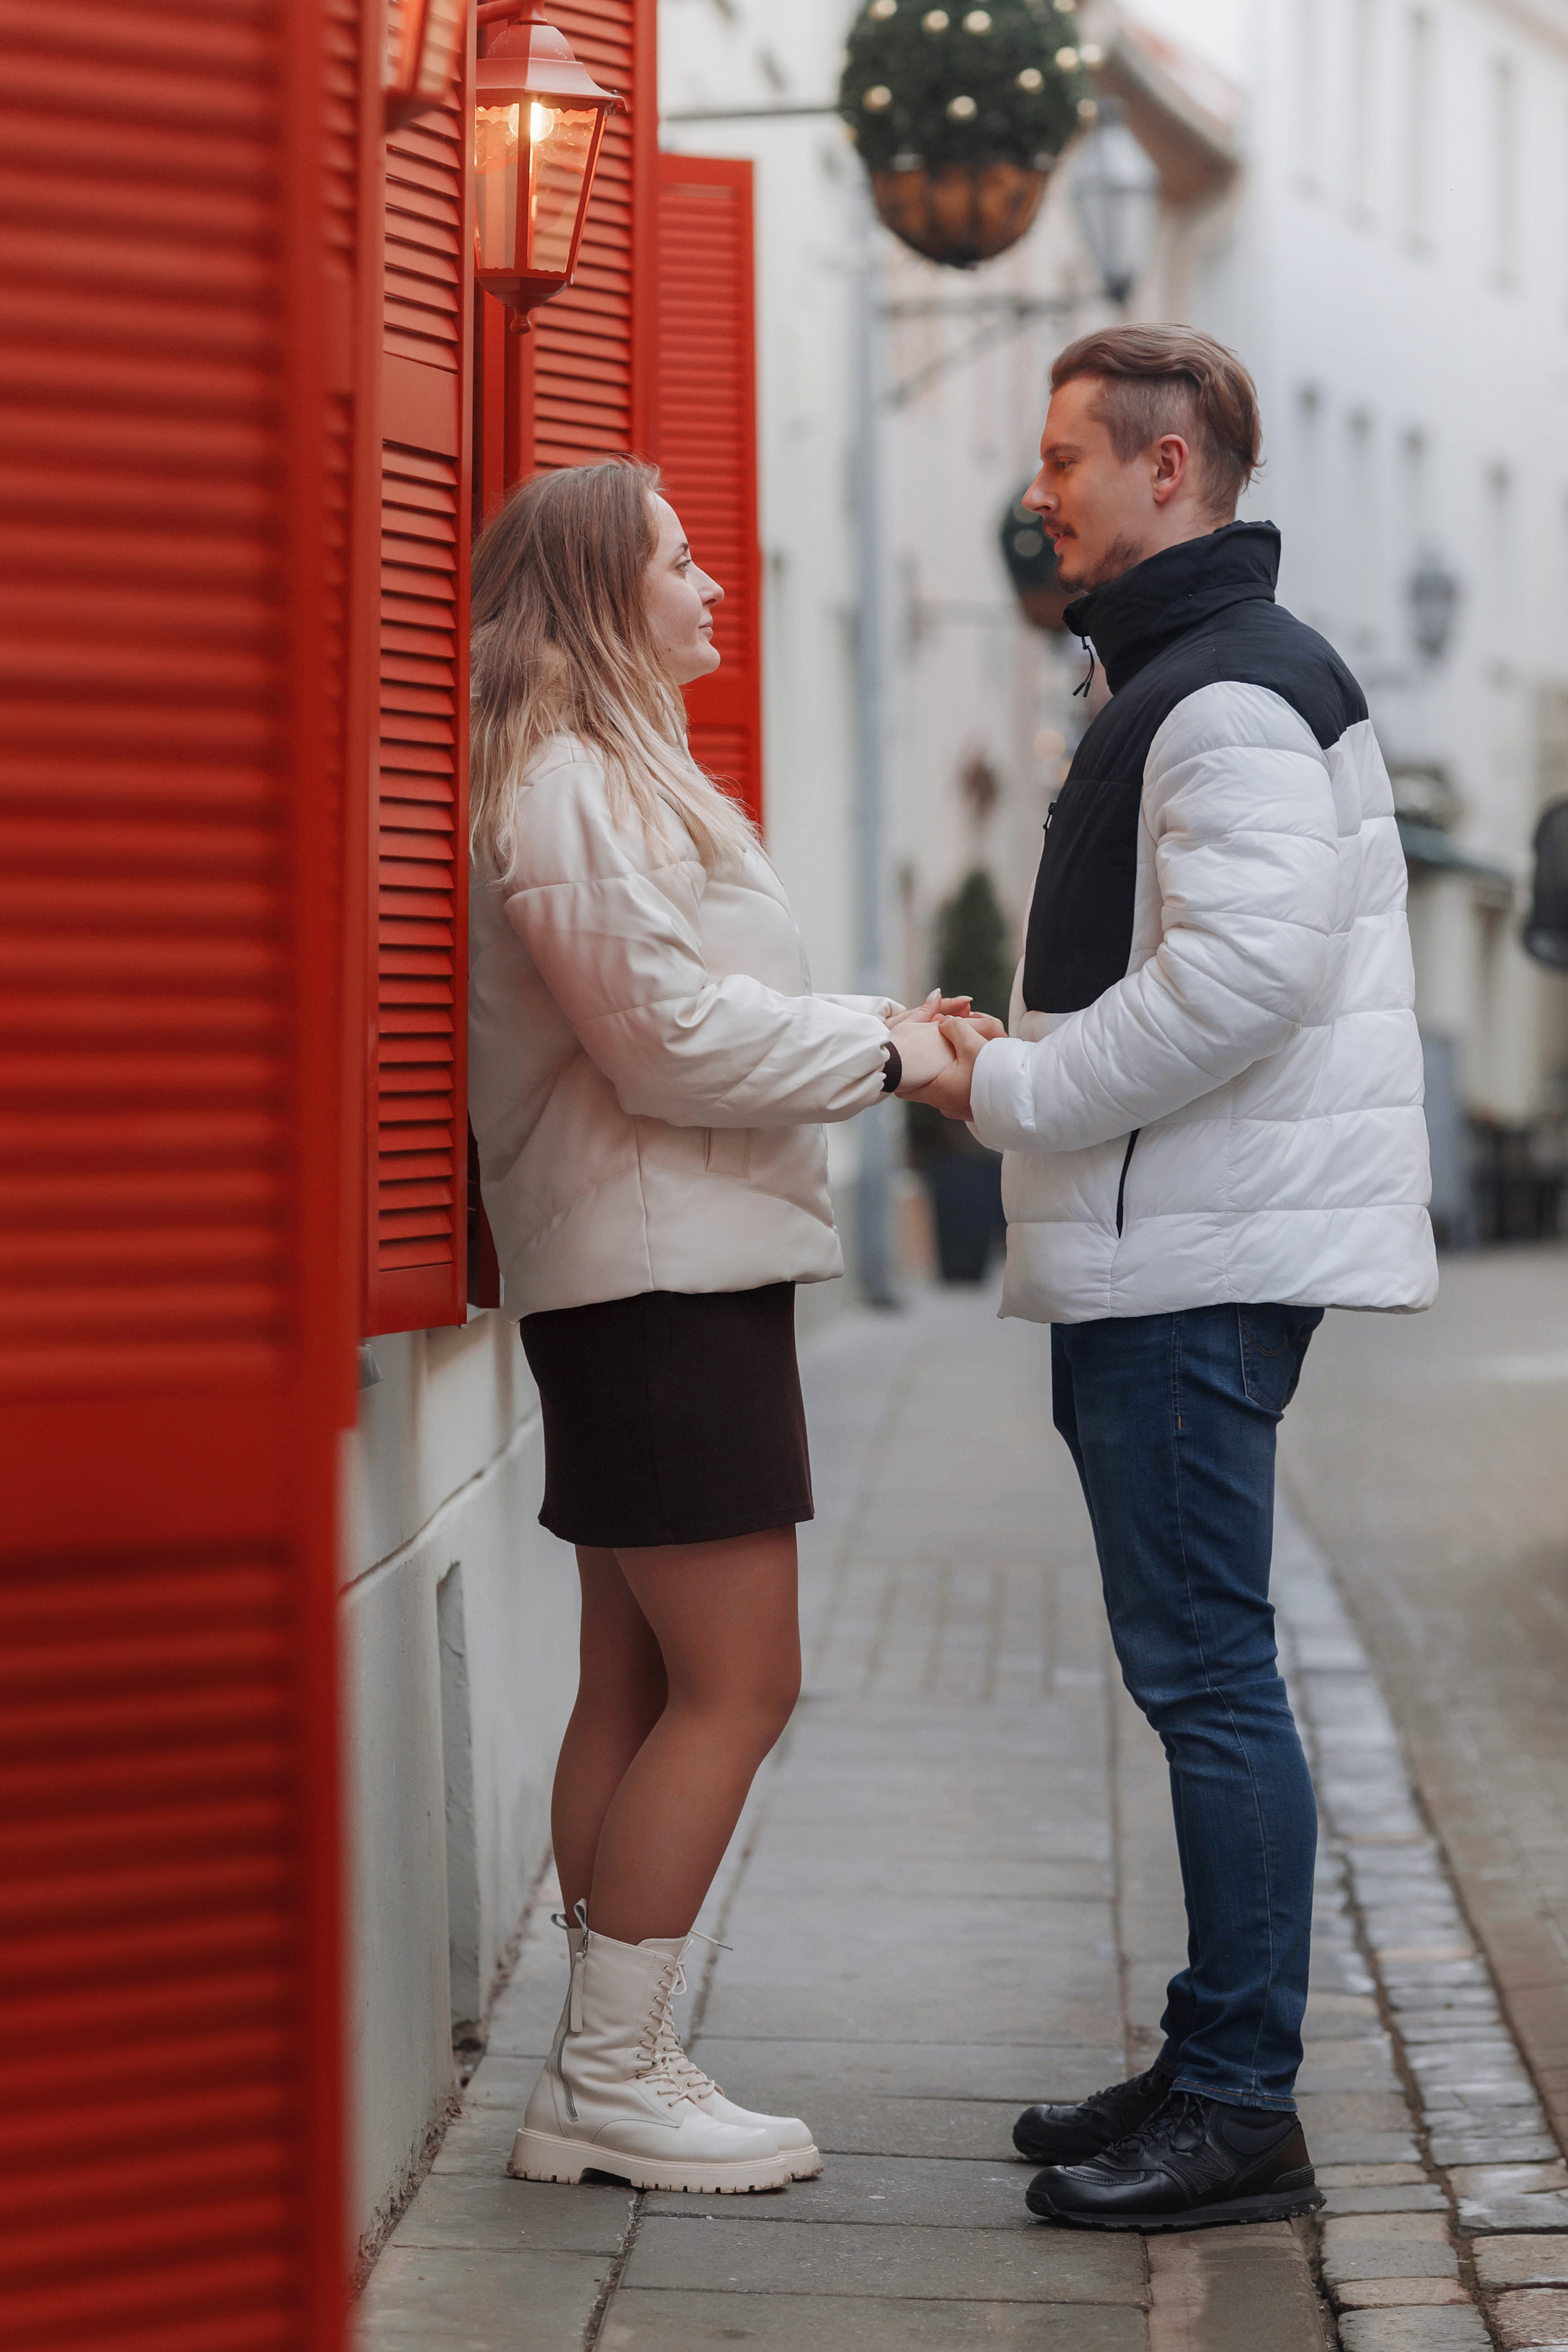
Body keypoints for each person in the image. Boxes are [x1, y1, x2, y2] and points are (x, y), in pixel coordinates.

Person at [913, 325, 1436, 2231]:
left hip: (1190, 1265)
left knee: (1212, 1677)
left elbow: (1238, 985)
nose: (1037, 490)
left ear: (1170, 474)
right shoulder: (1190, 674)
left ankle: (1241, 2105)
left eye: (1067, 457)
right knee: (1199, 1670)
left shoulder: (1221, 694)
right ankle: (1214, 2041)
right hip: (1173, 1245)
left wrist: (1022, 1089)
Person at [466, 457, 959, 2196]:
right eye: (684, 562)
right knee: (744, 1683)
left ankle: (599, 2072)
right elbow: (664, 1041)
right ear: (609, 591)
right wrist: (893, 1056)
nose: (712, 587)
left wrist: (875, 1022)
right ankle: (614, 2075)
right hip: (660, 1279)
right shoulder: (570, 787)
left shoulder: (604, 780)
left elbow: (693, 1006)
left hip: (656, 1273)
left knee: (644, 1673)